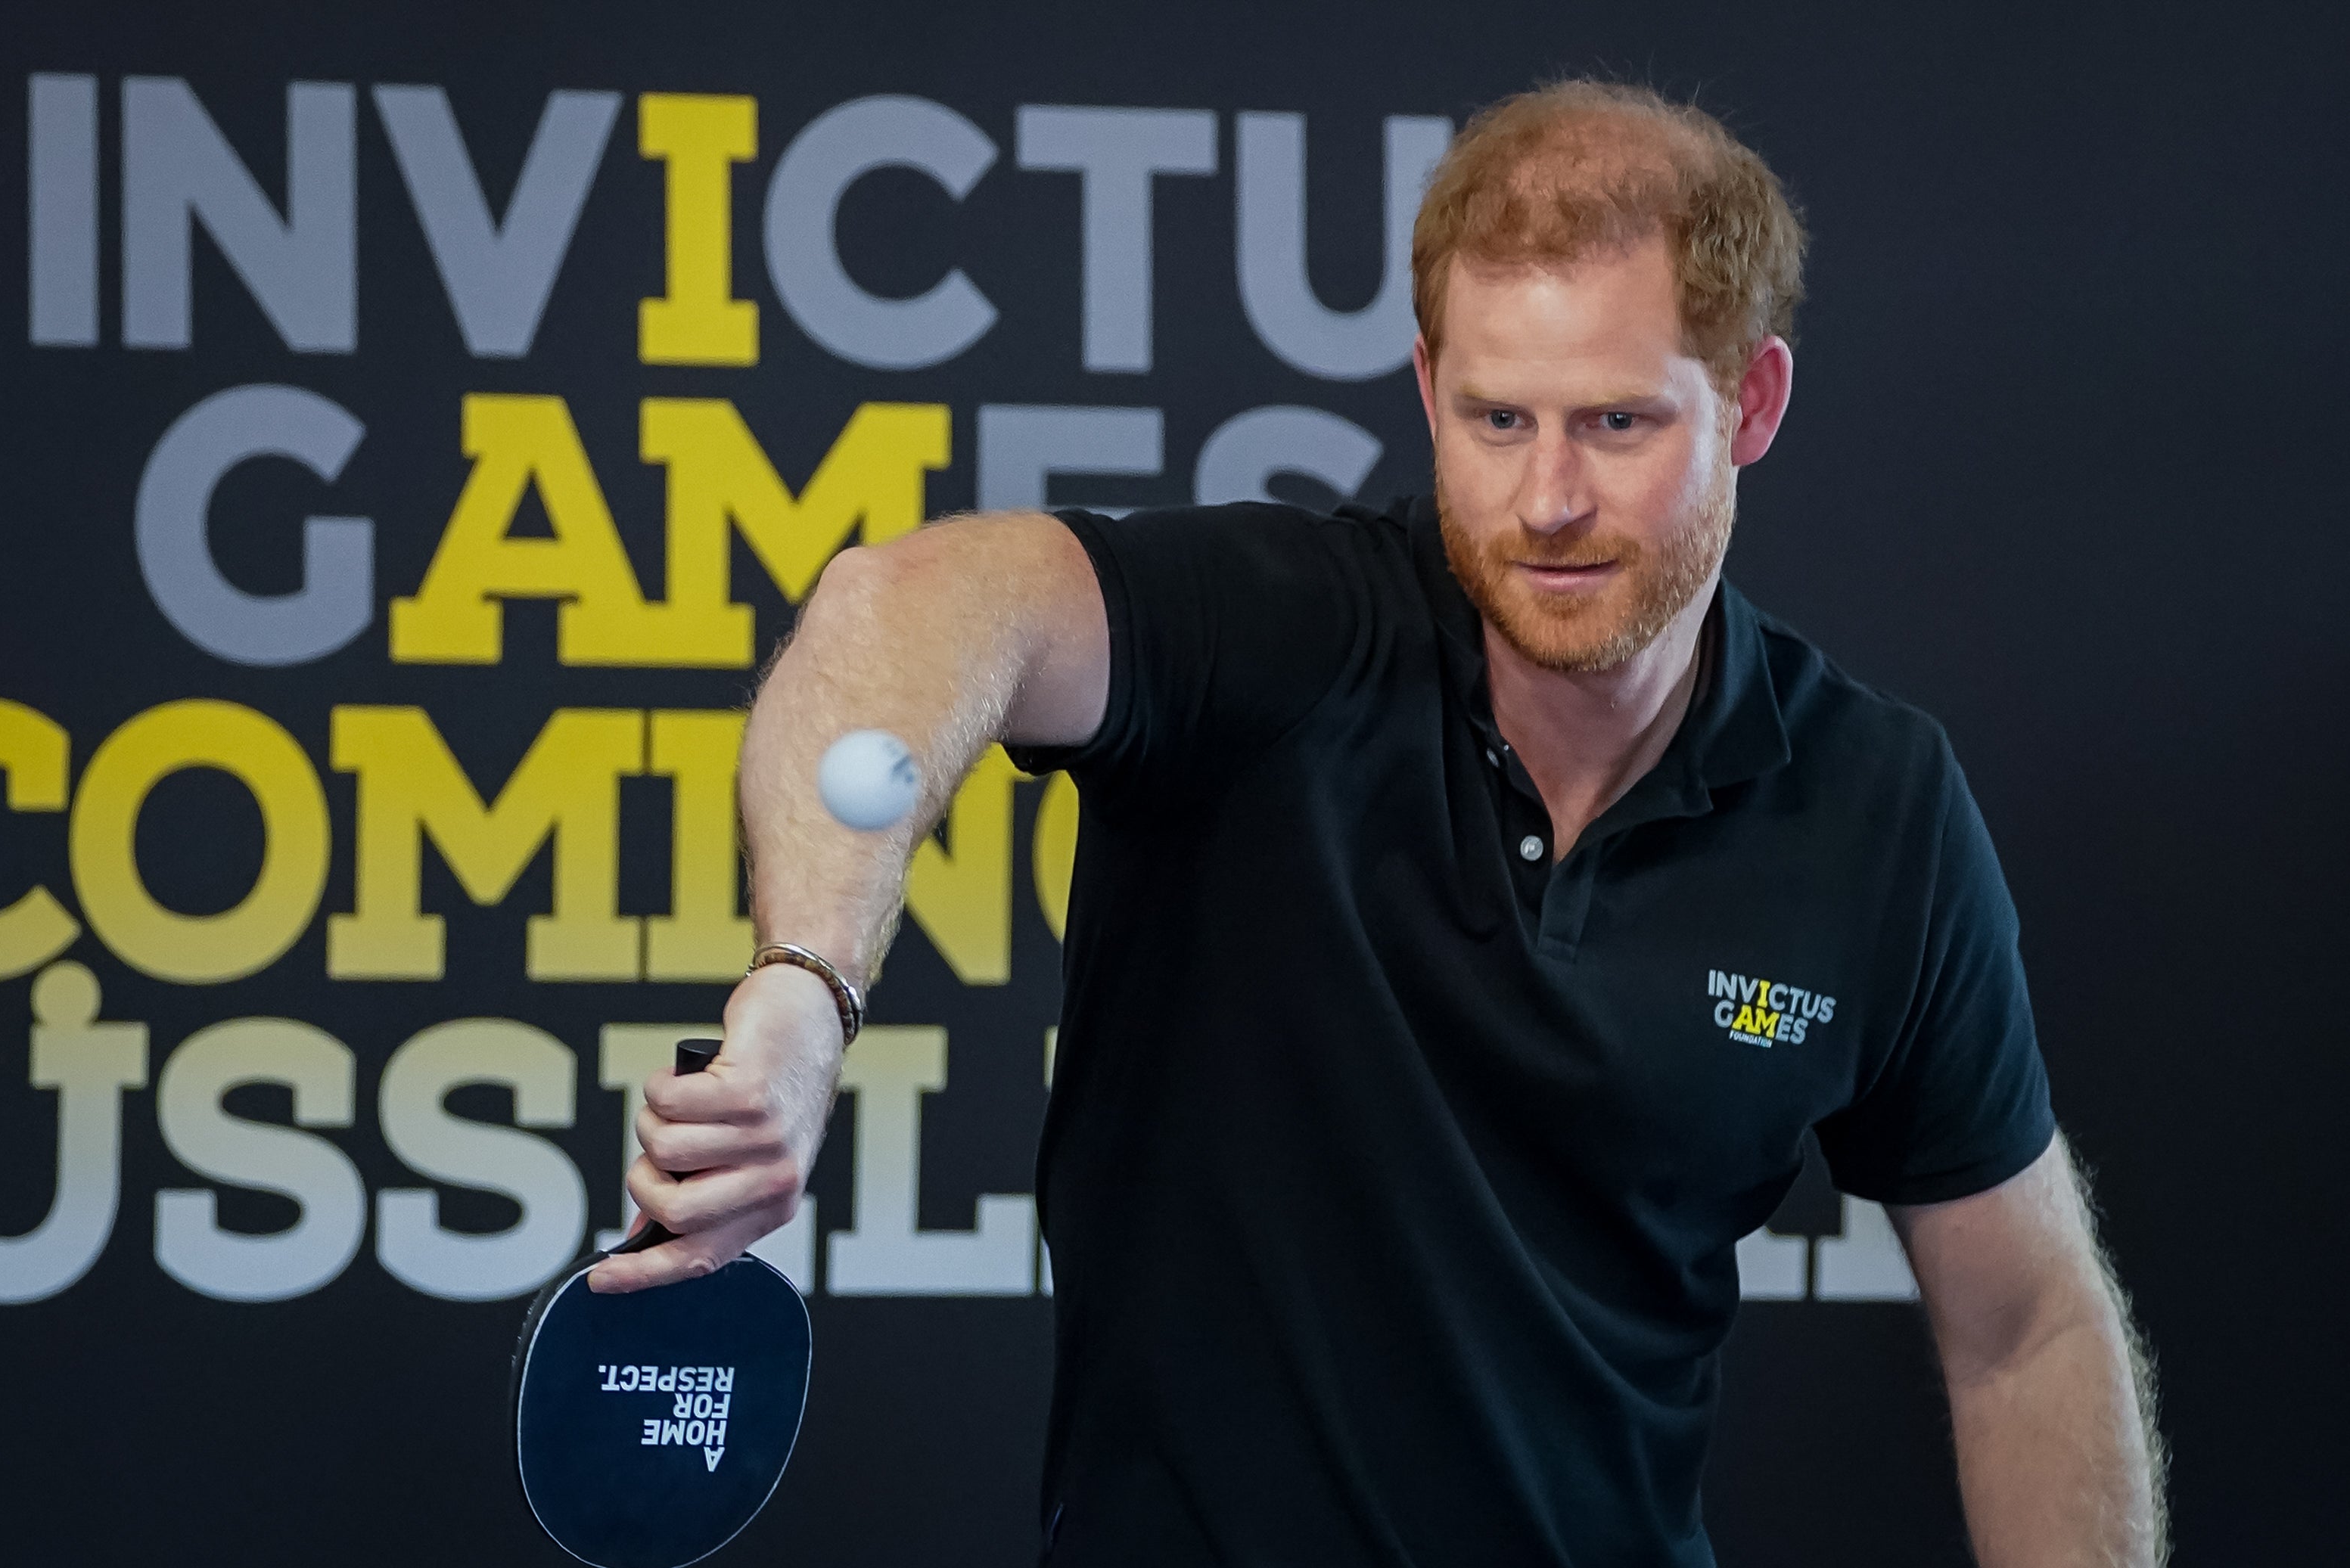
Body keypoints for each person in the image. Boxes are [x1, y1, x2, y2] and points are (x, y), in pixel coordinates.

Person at [589, 79, 2166, 1566]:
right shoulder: (1269, 644)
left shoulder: (1871, 805)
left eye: (1616, 426)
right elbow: (910, 610)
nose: (1546, 497)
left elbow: (2025, 1320)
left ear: (1748, 401)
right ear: (1426, 387)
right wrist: (802, 992)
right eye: (1494, 419)